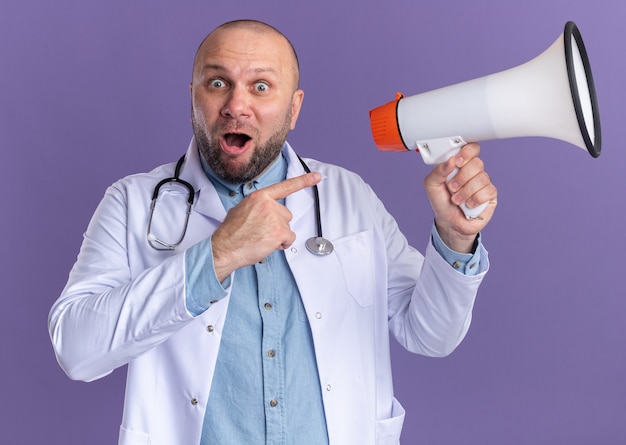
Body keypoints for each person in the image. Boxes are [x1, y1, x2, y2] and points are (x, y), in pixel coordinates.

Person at [49, 19, 497, 445]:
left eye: (261, 86)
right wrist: (218, 255)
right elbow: (76, 349)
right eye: (218, 82)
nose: (236, 105)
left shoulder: (348, 195)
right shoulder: (132, 203)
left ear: (294, 107)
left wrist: (455, 239)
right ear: (193, 97)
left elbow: (431, 335)